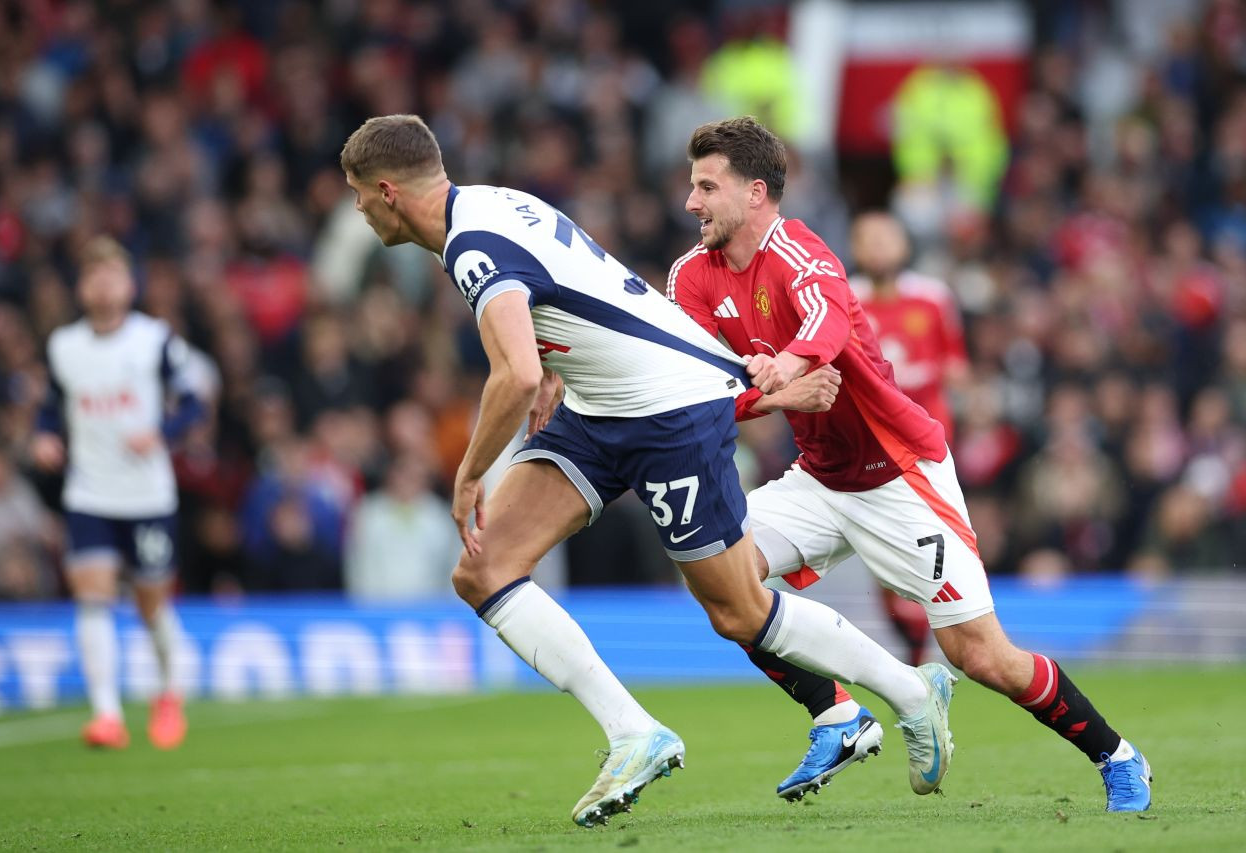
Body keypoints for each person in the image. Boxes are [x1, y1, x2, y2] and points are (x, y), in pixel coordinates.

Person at [340, 114, 954, 827]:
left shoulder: (472, 244)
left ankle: (911, 691)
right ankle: (633, 733)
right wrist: (551, 361)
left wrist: (470, 472)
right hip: (601, 406)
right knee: (483, 569)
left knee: (738, 609)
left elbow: (512, 373)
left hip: (669, 412)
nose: (357, 209)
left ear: (387, 191)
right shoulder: (489, 202)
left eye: (358, 194)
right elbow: (563, 294)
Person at [668, 116, 1152, 812]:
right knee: (721, 583)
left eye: (706, 187)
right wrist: (768, 397)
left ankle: (1118, 755)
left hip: (899, 472)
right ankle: (839, 713)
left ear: (754, 193)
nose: (691, 203)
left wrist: (787, 368)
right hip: (820, 476)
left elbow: (827, 327)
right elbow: (676, 385)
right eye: (692, 186)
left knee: (982, 656)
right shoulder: (691, 275)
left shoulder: (803, 253)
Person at [32, 236, 207, 750]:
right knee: (93, 598)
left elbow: (194, 402)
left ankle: (168, 694)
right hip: (89, 493)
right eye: (93, 276)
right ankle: (106, 714)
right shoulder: (64, 347)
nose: (103, 285)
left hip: (148, 496)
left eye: (112, 275)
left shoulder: (153, 340)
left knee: (150, 604)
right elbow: (50, 406)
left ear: (129, 285)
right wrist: (45, 437)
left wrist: (163, 434)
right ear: (82, 287)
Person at [849, 211, 972, 666]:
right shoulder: (844, 298)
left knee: (927, 537)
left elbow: (958, 365)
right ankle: (918, 644)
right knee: (884, 550)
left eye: (887, 238)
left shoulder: (934, 298)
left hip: (925, 441)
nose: (879, 247)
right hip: (869, 443)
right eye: (868, 239)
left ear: (904, 245)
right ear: (856, 248)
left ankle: (937, 638)